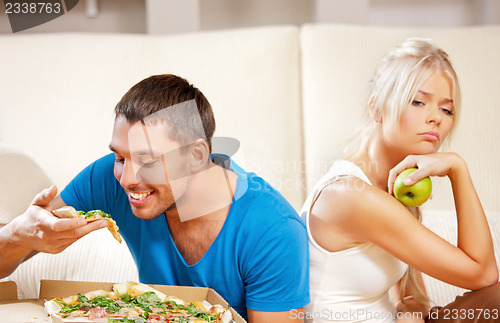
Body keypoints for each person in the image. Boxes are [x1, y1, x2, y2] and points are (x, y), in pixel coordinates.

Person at [0, 74, 310, 322]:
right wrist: (18, 235)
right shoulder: (110, 178)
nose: (128, 178)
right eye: (121, 157)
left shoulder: (273, 231)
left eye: (148, 160)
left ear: (196, 155)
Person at [301, 38, 499, 323]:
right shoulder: (353, 195)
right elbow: (483, 273)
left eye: (447, 109)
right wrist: (458, 169)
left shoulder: (394, 187)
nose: (436, 119)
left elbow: (409, 294)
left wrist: (409, 309)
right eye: (418, 101)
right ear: (377, 109)